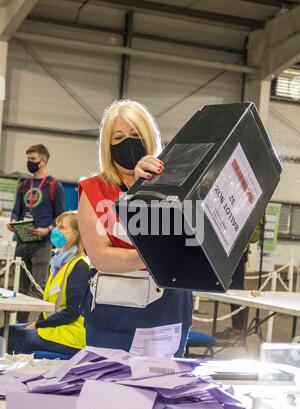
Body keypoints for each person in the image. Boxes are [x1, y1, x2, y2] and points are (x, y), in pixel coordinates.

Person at [78, 99, 193, 357]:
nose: (128, 142)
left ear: (150, 136)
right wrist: (161, 255)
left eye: (136, 134)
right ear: (107, 145)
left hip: (167, 313)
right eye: (118, 137)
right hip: (112, 317)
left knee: (161, 390)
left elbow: (192, 239)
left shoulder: (177, 180)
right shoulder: (93, 190)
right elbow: (101, 257)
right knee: (106, 388)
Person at [2, 211, 89, 356]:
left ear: (76, 233)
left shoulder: (80, 265)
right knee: (5, 331)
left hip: (70, 335)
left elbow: (72, 312)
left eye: (62, 227)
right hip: (53, 328)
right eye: (56, 226)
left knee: (11, 338)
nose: (56, 231)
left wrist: (38, 325)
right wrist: (38, 325)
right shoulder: (57, 263)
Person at [8, 144, 66, 323]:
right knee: (20, 287)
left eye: (33, 159)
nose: (29, 162)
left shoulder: (54, 186)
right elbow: (17, 209)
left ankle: (39, 325)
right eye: (28, 159)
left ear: (43, 161)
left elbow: (60, 215)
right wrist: (13, 221)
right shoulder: (24, 185)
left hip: (42, 244)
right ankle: (19, 326)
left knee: (40, 286)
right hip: (22, 241)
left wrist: (47, 229)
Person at [215, 219, 264, 340]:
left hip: (238, 251)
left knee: (237, 289)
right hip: (229, 249)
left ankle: (238, 328)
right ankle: (237, 327)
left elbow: (254, 235)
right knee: (234, 288)